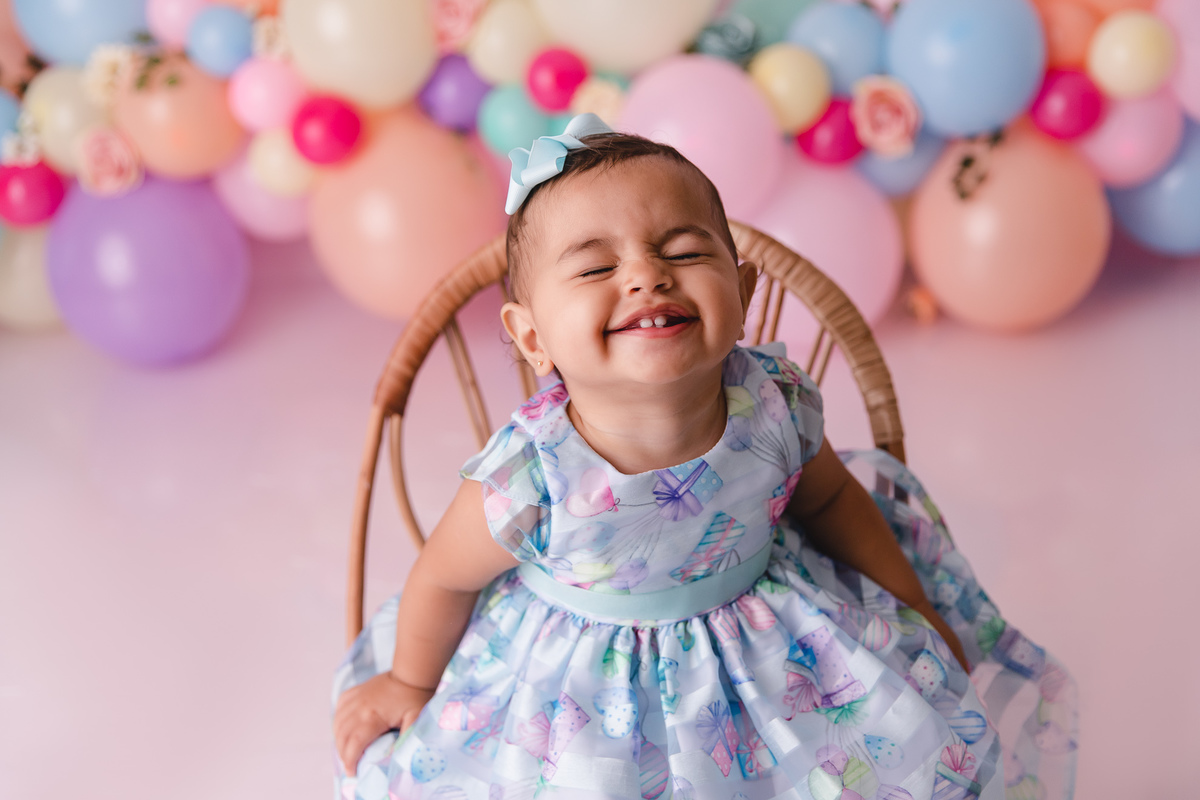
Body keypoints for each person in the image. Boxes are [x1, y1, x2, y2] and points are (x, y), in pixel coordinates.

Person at [332, 114, 1077, 800]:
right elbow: (442, 579)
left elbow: (829, 502)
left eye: (684, 251)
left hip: (773, 648)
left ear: (742, 289)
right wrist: (408, 679)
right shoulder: (531, 474)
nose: (646, 275)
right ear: (532, 338)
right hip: (583, 700)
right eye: (595, 269)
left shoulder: (773, 403)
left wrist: (913, 607)